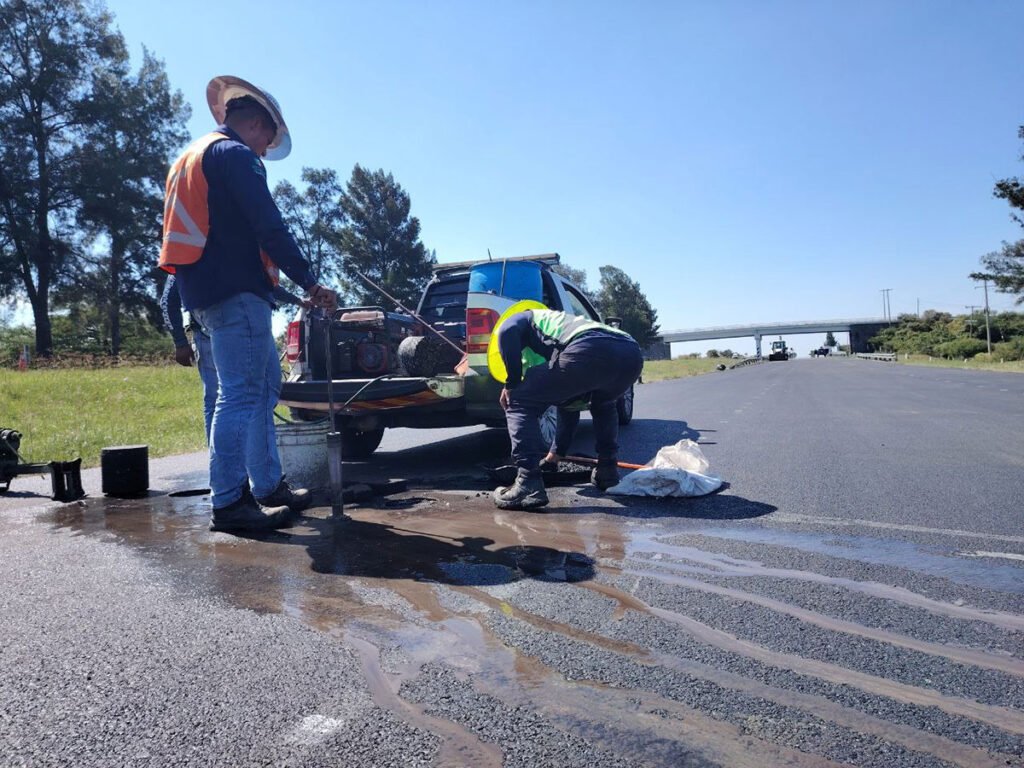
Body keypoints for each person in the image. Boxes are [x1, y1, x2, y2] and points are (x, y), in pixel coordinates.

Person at [158, 75, 337, 532]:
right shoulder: (236, 155)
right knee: (241, 396)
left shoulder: (191, 157)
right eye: (266, 142)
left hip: (204, 294)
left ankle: (267, 484)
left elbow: (222, 239)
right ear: (256, 124)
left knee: (262, 388)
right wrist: (311, 281)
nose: (263, 152)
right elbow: (267, 224)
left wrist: (285, 289)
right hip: (236, 298)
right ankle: (231, 501)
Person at [493, 308, 644, 511]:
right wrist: (553, 457)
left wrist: (511, 383)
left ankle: (528, 481)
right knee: (604, 403)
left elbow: (507, 331)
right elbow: (569, 406)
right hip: (631, 353)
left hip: (589, 347)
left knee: (518, 399)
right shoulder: (562, 324)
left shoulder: (520, 318)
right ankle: (607, 470)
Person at [160, 274, 307, 443]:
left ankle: (253, 459)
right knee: (217, 400)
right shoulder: (188, 256)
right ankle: (223, 463)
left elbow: (263, 282)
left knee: (262, 393)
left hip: (249, 330)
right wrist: (180, 342)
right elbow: (168, 300)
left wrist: (296, 300)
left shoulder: (239, 254)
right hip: (208, 335)